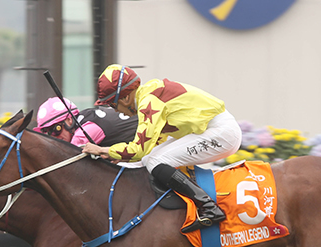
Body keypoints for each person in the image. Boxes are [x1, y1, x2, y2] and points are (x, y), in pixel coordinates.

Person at [81, 64, 241, 233]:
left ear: (126, 99)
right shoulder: (149, 96)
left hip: (221, 133)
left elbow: (138, 149)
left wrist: (103, 150)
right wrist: (120, 158)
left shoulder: (149, 102)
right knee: (149, 160)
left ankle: (208, 207)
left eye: (113, 105)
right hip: (211, 130)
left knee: (156, 161)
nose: (116, 112)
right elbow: (148, 149)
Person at [34, 97, 137, 147]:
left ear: (69, 120)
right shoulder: (85, 118)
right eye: (48, 133)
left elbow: (67, 159)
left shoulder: (84, 132)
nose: (54, 136)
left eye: (56, 129)